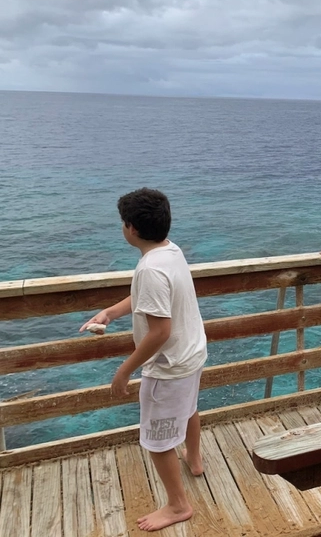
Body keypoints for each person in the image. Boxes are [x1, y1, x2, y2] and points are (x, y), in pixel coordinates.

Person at [80, 188, 207, 532]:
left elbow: (159, 331)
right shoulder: (170, 250)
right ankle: (194, 461)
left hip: (167, 367)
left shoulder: (150, 267)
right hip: (192, 352)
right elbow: (148, 297)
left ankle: (178, 505)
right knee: (189, 407)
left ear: (132, 228)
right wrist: (111, 312)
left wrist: (125, 371)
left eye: (123, 222)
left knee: (157, 440)